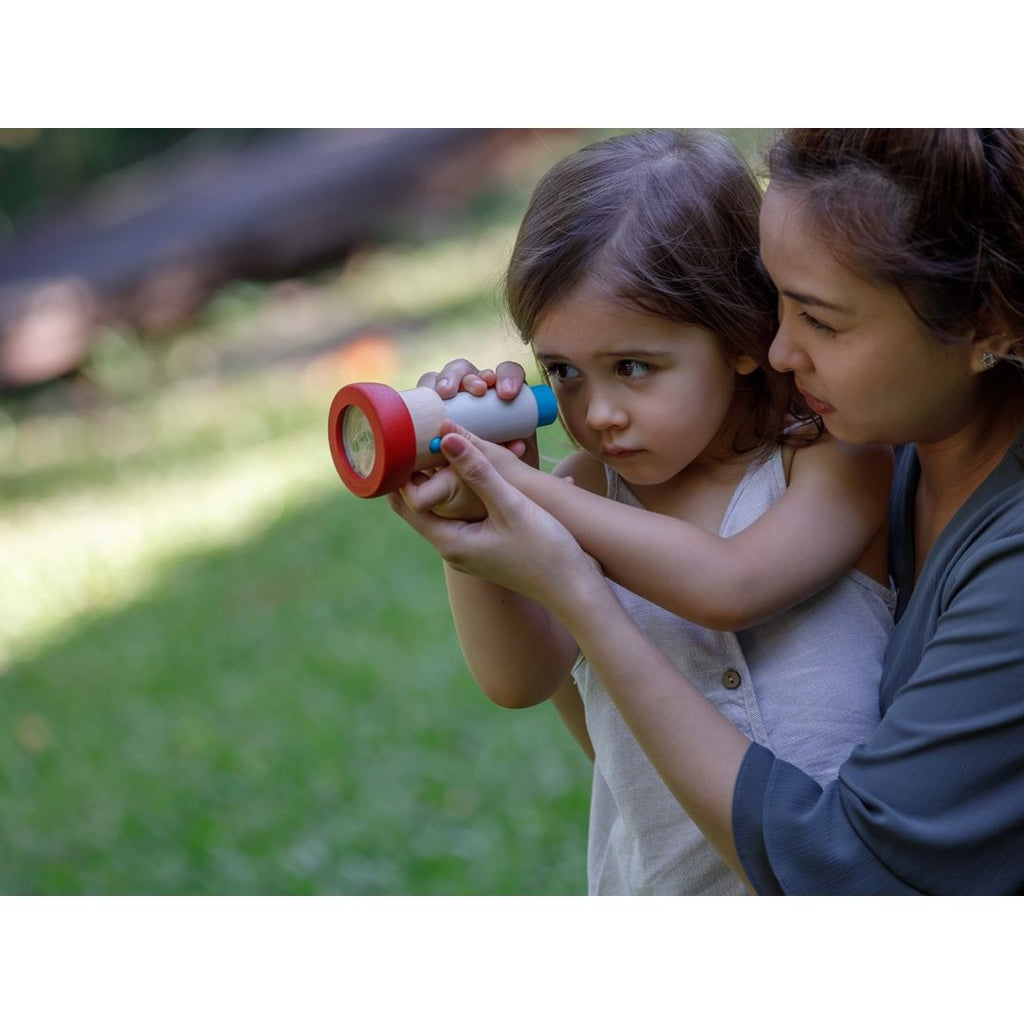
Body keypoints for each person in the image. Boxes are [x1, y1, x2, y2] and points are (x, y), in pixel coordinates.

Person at [391, 128, 1024, 895]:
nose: (599, 413)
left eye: (633, 368)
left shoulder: (832, 460)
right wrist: (474, 523)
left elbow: (728, 585)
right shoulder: (590, 488)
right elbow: (520, 679)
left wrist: (522, 495)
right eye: (561, 372)